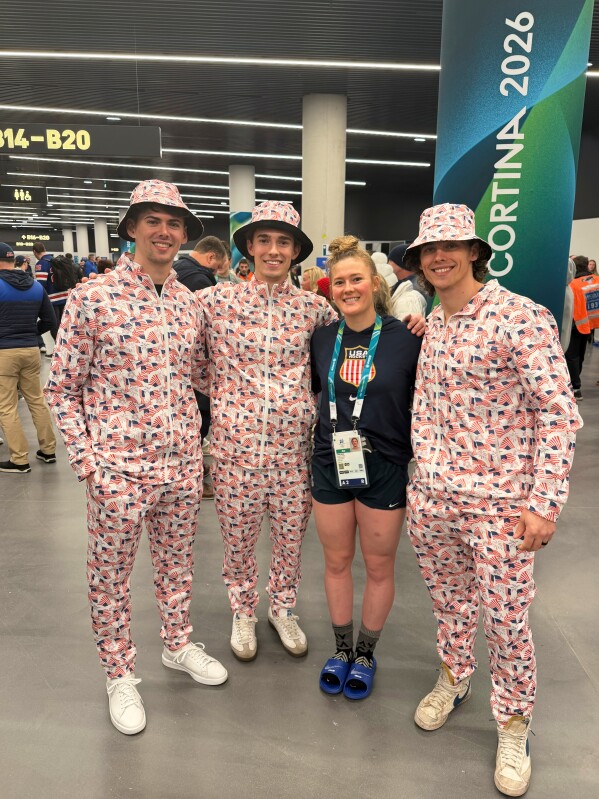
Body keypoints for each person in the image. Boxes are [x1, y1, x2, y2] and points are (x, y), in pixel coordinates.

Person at [403, 204, 582, 797]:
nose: (439, 257)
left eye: (451, 246)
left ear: (475, 251)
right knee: (450, 604)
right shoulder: (434, 323)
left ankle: (513, 720)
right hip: (434, 499)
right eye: (429, 250)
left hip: (502, 504)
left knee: (506, 617)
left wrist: (545, 502)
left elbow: (558, 414)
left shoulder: (519, 317)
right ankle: (455, 676)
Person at [45, 180, 227, 737]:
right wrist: (89, 465)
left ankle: (177, 643)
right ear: (131, 228)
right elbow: (61, 389)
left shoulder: (189, 303)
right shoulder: (93, 298)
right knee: (110, 577)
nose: (165, 232)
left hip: (180, 467)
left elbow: (204, 375)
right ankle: (119, 673)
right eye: (154, 221)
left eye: (174, 223)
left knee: (177, 566)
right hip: (118, 471)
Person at [310, 236, 421, 700]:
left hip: (385, 464)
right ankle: (341, 650)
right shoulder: (321, 338)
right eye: (339, 282)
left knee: (378, 565)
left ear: (375, 283)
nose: (348, 288)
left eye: (356, 279)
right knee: (336, 563)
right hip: (330, 461)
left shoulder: (409, 338)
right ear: (330, 288)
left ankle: (365, 654)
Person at [174, 235, 228, 499]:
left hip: (177, 370)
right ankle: (193, 479)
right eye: (217, 269)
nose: (215, 273)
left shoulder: (177, 270)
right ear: (211, 257)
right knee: (197, 426)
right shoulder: (199, 281)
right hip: (195, 372)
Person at [0, 242, 58, 474]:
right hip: (31, 350)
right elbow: (50, 321)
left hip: (4, 353)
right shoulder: (35, 286)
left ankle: (19, 459)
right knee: (36, 400)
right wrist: (31, 333)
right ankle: (48, 450)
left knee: (7, 406)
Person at [564, 255, 599, 400]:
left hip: (576, 324)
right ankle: (576, 382)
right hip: (589, 326)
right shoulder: (597, 280)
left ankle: (575, 388)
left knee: (572, 356)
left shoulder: (574, 284)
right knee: (580, 355)